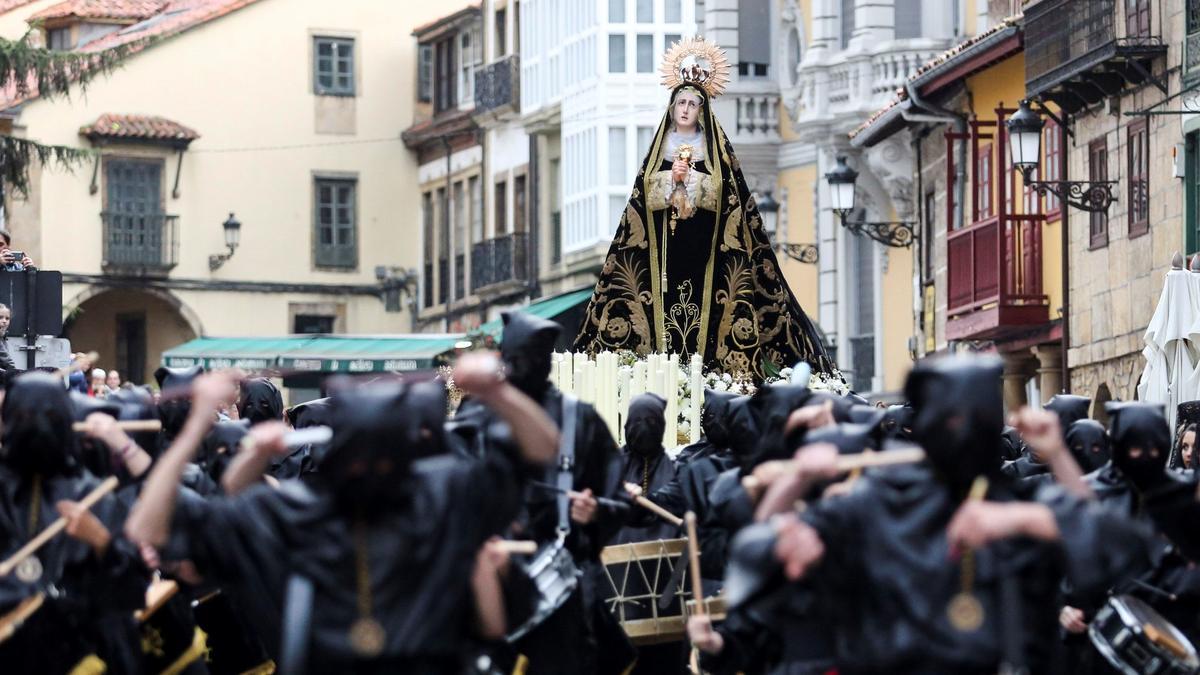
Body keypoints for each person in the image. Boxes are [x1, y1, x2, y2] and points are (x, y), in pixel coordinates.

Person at [124, 353, 561, 673]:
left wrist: (200, 423)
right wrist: (495, 391)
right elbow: (542, 449)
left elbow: (543, 450)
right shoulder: (433, 494)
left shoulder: (437, 495)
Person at [740, 357, 1152, 674]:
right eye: (954, 418)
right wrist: (797, 481)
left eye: (979, 417)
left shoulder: (1016, 503)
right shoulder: (877, 500)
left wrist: (1055, 464)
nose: (966, 430)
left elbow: (1115, 551)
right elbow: (755, 561)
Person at [572, 37, 834, 379]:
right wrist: (669, 181)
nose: (684, 109)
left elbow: (728, 196)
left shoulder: (716, 151)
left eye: (692, 104)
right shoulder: (659, 150)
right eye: (679, 102)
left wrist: (693, 181)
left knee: (710, 316)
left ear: (702, 109)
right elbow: (642, 197)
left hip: (708, 254)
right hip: (664, 257)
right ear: (671, 107)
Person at [451, 311, 631, 675]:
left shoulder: (580, 420)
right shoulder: (477, 417)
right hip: (493, 581)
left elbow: (620, 500)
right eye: (520, 360)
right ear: (506, 359)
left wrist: (596, 510)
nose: (530, 368)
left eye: (538, 360)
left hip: (564, 587)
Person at [0, 373, 149, 673]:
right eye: (25, 416)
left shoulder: (93, 495)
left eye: (50, 416)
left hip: (86, 653)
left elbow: (134, 589)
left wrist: (101, 541)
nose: (37, 427)